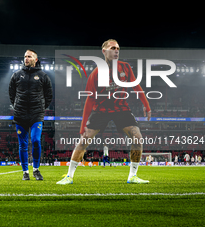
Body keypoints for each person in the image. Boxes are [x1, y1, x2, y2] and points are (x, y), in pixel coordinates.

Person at [57, 39, 151, 185]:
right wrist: (83, 125)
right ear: (104, 51)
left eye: (118, 48)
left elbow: (136, 86)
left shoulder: (125, 67)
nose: (116, 50)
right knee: (84, 140)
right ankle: (69, 176)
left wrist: (146, 105)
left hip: (121, 109)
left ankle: (133, 176)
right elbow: (89, 100)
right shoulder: (95, 74)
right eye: (113, 48)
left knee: (137, 137)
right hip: (100, 110)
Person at [9, 49, 53, 180]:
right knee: (22, 144)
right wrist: (17, 106)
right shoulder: (16, 75)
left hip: (36, 115)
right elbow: (11, 94)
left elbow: (49, 95)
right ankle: (25, 172)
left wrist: (40, 108)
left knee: (35, 140)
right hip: (20, 115)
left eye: (29, 57)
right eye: (25, 56)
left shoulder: (43, 76)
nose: (26, 59)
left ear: (36, 59)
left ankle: (36, 170)